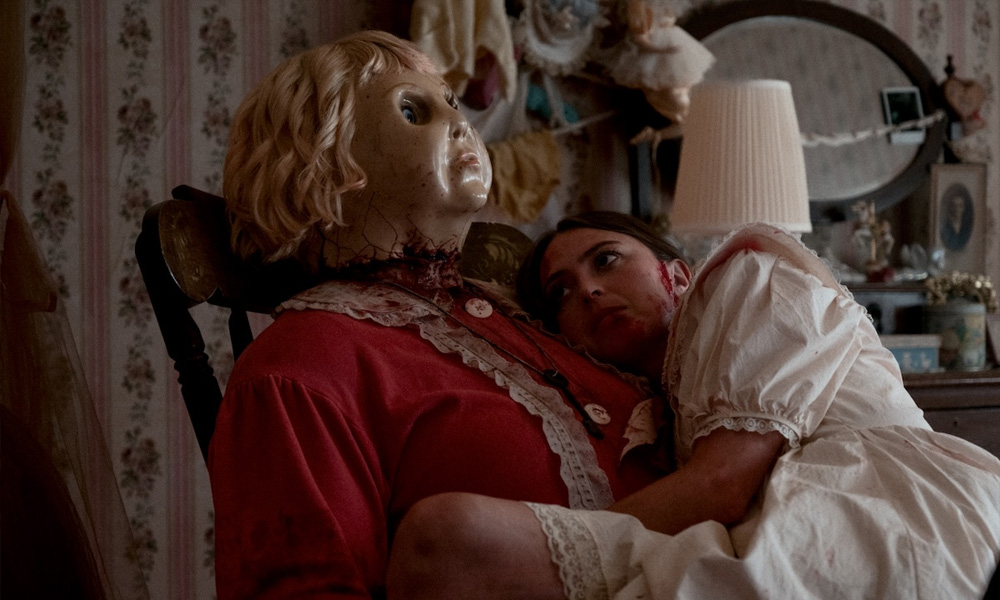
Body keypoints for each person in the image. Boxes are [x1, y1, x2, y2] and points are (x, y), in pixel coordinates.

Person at [209, 32, 667, 599]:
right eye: (412, 111)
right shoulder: (301, 367)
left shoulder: (521, 317)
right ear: (325, 161)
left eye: (452, 103)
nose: (459, 123)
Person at [386, 213, 1000, 600]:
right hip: (770, 514)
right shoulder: (658, 405)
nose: (589, 289)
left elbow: (722, 483)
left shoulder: (747, 279)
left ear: (677, 275)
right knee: (441, 541)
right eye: (561, 292)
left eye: (606, 260)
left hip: (883, 504)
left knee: (446, 539)